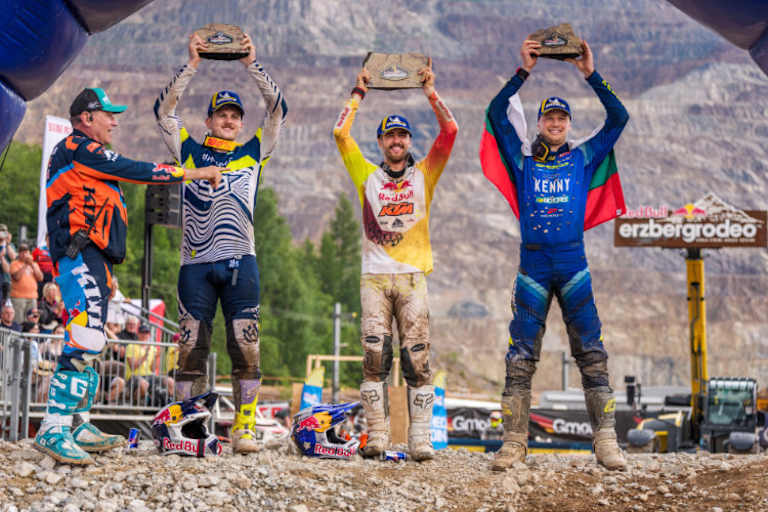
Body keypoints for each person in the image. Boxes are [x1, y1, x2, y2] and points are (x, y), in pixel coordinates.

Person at [34, 86, 225, 465]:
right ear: (87, 118)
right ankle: (53, 427)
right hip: (79, 253)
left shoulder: (85, 156)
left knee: (94, 341)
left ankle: (78, 424)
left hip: (95, 256)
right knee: (85, 336)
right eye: (108, 114)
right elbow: (136, 169)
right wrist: (195, 173)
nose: (115, 121)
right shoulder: (79, 148)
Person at [480, 39, 630, 471]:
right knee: (520, 357)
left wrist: (590, 73)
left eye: (562, 117)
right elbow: (494, 113)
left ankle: (606, 442)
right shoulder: (522, 159)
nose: (556, 123)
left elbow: (619, 117)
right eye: (549, 116)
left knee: (592, 352)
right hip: (532, 269)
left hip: (573, 268)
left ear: (568, 123)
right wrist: (522, 72)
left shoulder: (583, 157)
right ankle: (513, 443)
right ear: (541, 122)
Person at [154, 30, 287, 454]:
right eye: (221, 114)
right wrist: (192, 64)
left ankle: (244, 427)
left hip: (240, 262)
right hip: (194, 264)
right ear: (209, 120)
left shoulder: (253, 151)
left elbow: (279, 110)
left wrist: (252, 64)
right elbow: (163, 111)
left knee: (246, 346)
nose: (229, 120)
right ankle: (182, 426)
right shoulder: (188, 151)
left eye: (235, 115)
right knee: (190, 347)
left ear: (241, 123)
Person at [332, 61, 458, 461]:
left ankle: (420, 438)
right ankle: (377, 435)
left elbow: (450, 131)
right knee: (375, 357)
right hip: (374, 278)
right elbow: (340, 133)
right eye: (390, 135)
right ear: (381, 141)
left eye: (402, 134)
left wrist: (430, 92)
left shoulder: (425, 174)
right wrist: (359, 93)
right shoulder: (366, 175)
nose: (397, 141)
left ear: (408, 140)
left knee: (417, 357)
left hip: (413, 278)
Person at [124, 323, 172, 405]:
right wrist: (145, 356)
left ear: (149, 335)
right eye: (142, 332)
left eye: (146, 333)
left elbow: (153, 368)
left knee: (170, 381)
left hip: (149, 376)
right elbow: (133, 367)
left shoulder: (152, 348)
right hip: (133, 376)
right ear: (138, 334)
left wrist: (157, 357)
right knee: (144, 384)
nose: (144, 335)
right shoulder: (131, 346)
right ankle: (134, 404)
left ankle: (170, 404)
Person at [9, 243, 43, 323]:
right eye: (22, 252)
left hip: (32, 297)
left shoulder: (34, 264)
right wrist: (25, 265)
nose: (24, 254)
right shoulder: (14, 264)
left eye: (26, 252)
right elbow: (16, 277)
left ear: (29, 253)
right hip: (18, 297)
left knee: (32, 321)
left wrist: (32, 265)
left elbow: (40, 278)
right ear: (19, 253)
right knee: (18, 321)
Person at [0, 225, 17, 305]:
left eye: (4, 232)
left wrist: (7, 243)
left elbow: (13, 257)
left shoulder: (10, 245)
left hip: (6, 279)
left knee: (5, 304)